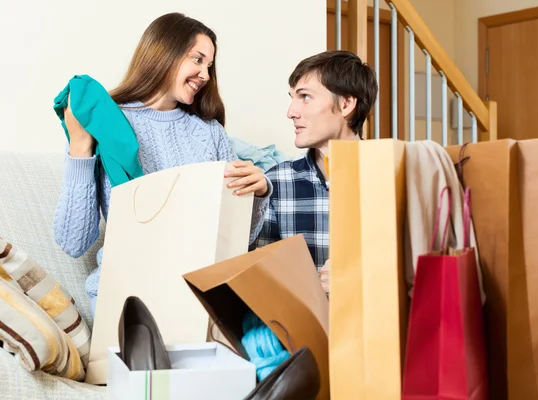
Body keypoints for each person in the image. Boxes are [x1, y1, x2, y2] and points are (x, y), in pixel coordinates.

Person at [54, 13, 271, 317]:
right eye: (197, 59)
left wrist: (258, 195)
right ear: (164, 53)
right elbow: (73, 242)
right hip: (128, 293)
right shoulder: (108, 125)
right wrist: (79, 146)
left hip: (198, 292)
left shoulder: (210, 132)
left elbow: (235, 244)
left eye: (209, 66)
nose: (205, 75)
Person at [251, 50, 378, 287]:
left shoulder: (390, 177)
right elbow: (260, 282)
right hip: (302, 323)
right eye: (292, 98)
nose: (291, 112)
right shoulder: (277, 183)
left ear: (346, 103)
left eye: (305, 97)